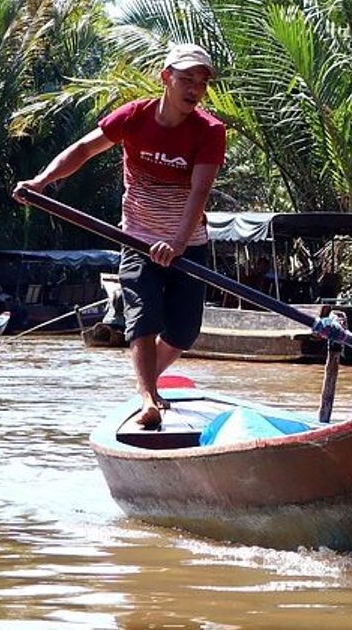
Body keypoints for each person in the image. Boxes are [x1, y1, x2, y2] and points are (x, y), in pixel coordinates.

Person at [15, 43, 225, 428]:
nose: (194, 89)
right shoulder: (134, 117)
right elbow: (83, 149)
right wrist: (42, 181)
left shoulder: (209, 132)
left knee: (184, 331)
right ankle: (149, 398)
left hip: (187, 243)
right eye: (185, 79)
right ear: (166, 78)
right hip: (138, 239)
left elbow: (199, 192)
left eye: (201, 82)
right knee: (142, 317)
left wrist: (177, 244)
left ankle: (146, 383)